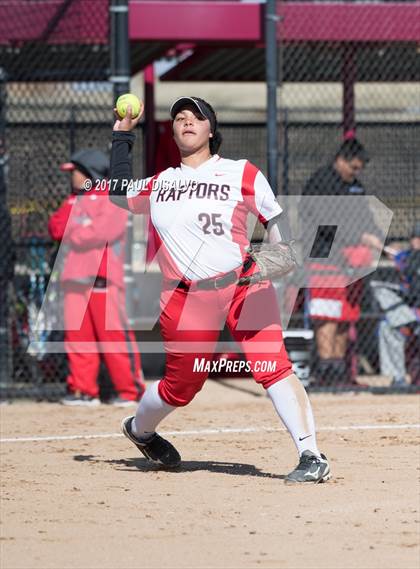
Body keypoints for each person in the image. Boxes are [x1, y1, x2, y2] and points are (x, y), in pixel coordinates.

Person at [109, 96, 331, 483]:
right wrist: (122, 138)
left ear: (212, 130)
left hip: (244, 283)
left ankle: (310, 454)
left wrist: (279, 256)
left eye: (197, 117)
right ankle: (140, 430)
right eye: (179, 118)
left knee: (272, 365)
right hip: (185, 296)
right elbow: (117, 193)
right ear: (173, 131)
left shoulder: (240, 172)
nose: (187, 122)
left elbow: (275, 220)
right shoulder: (162, 183)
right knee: (181, 386)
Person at [48, 149, 145, 407]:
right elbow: (56, 227)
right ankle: (83, 391)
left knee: (113, 337)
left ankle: (130, 391)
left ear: (91, 173)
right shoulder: (72, 201)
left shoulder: (112, 197)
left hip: (103, 279)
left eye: (77, 172)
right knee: (78, 338)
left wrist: (78, 230)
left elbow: (103, 231)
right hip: (74, 277)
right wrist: (82, 227)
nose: (74, 177)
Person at [300, 138, 383, 387]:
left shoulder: (355, 187)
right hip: (325, 256)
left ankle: (340, 373)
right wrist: (359, 237)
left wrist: (378, 238)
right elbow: (322, 220)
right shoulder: (320, 182)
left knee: (346, 316)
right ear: (340, 160)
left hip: (352, 263)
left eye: (359, 169)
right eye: (353, 167)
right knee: (327, 314)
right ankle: (326, 374)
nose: (356, 173)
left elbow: (367, 218)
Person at [372, 222, 420, 387]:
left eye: (418, 238)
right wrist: (388, 247)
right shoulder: (406, 257)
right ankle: (398, 378)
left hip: (413, 311)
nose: (416, 242)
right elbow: (390, 251)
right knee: (386, 327)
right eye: (414, 238)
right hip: (410, 312)